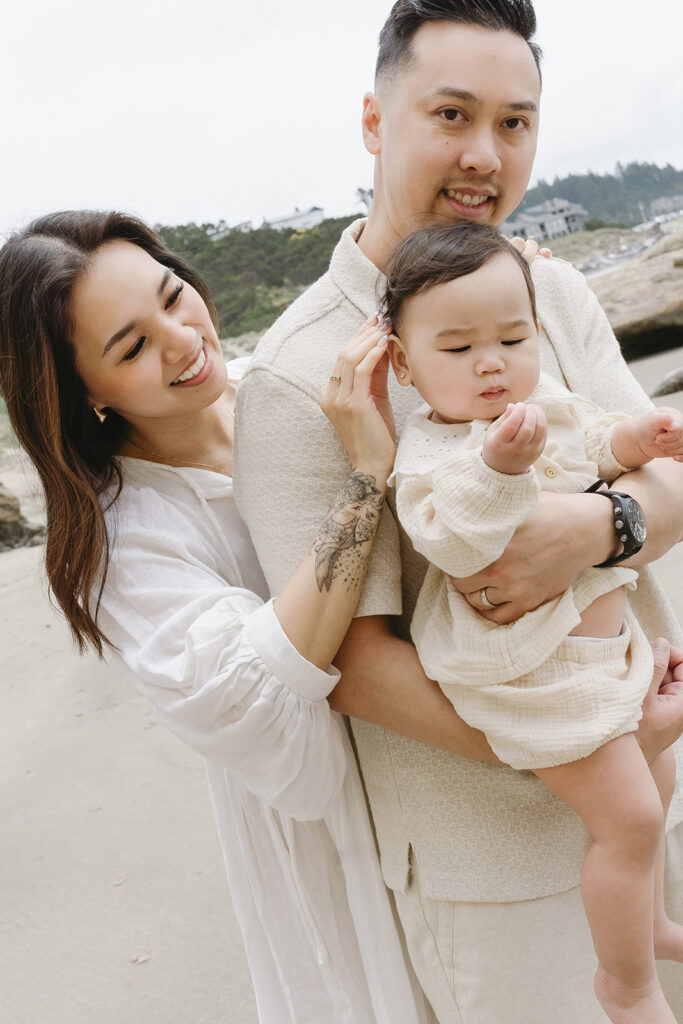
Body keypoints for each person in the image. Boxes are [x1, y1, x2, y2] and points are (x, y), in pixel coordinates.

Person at [234, 1, 683, 1020]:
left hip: (648, 776)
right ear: (373, 119)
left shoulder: (543, 288)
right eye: (451, 113)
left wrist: (596, 526)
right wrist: (590, 742)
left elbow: (665, 477)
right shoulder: (302, 373)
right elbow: (347, 662)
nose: (485, 153)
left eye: (514, 122)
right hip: (494, 862)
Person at [0, 209, 442, 1023]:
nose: (179, 339)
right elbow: (256, 688)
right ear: (81, 394)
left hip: (429, 736)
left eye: (174, 297)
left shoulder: (276, 388)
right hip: (334, 818)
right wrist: (363, 479)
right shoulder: (126, 537)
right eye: (130, 347)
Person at [385, 220, 683, 1023]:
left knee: (657, 781)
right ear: (403, 363)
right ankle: (625, 988)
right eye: (456, 349)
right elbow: (452, 534)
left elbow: (589, 443)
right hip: (533, 677)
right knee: (627, 819)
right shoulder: (431, 452)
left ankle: (647, 920)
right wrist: (497, 469)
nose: (490, 362)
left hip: (594, 656)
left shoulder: (539, 400)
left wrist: (633, 438)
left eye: (512, 337)